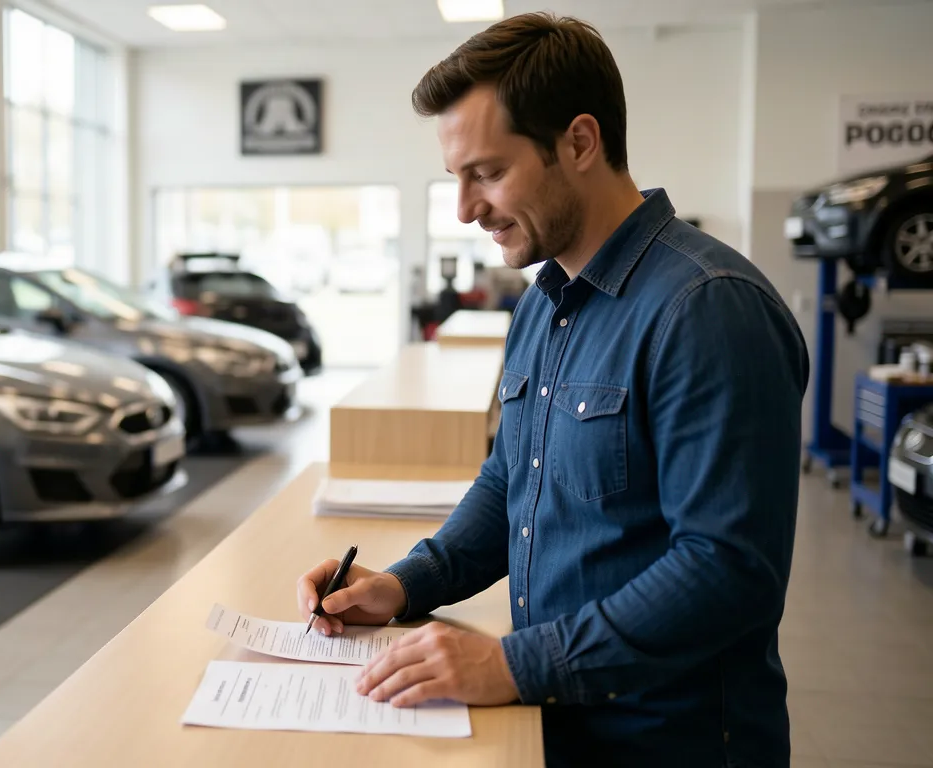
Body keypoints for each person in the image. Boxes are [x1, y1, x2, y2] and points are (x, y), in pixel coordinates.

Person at [297, 12, 808, 767]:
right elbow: (514, 481)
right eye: (457, 178)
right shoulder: (543, 302)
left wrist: (510, 665)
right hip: (562, 721)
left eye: (489, 172)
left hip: (674, 743)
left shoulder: (708, 308)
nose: (466, 209)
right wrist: (405, 585)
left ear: (579, 142)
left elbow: (728, 571)